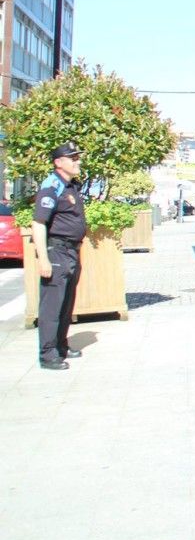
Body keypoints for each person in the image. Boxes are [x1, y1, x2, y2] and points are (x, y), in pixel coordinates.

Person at [31, 142, 88, 370]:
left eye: (77, 157)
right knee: (52, 306)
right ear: (58, 162)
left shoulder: (70, 186)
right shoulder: (51, 186)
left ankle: (61, 345)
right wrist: (43, 258)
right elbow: (38, 222)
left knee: (66, 303)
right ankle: (48, 354)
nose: (77, 161)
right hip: (57, 250)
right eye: (72, 158)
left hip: (71, 250)